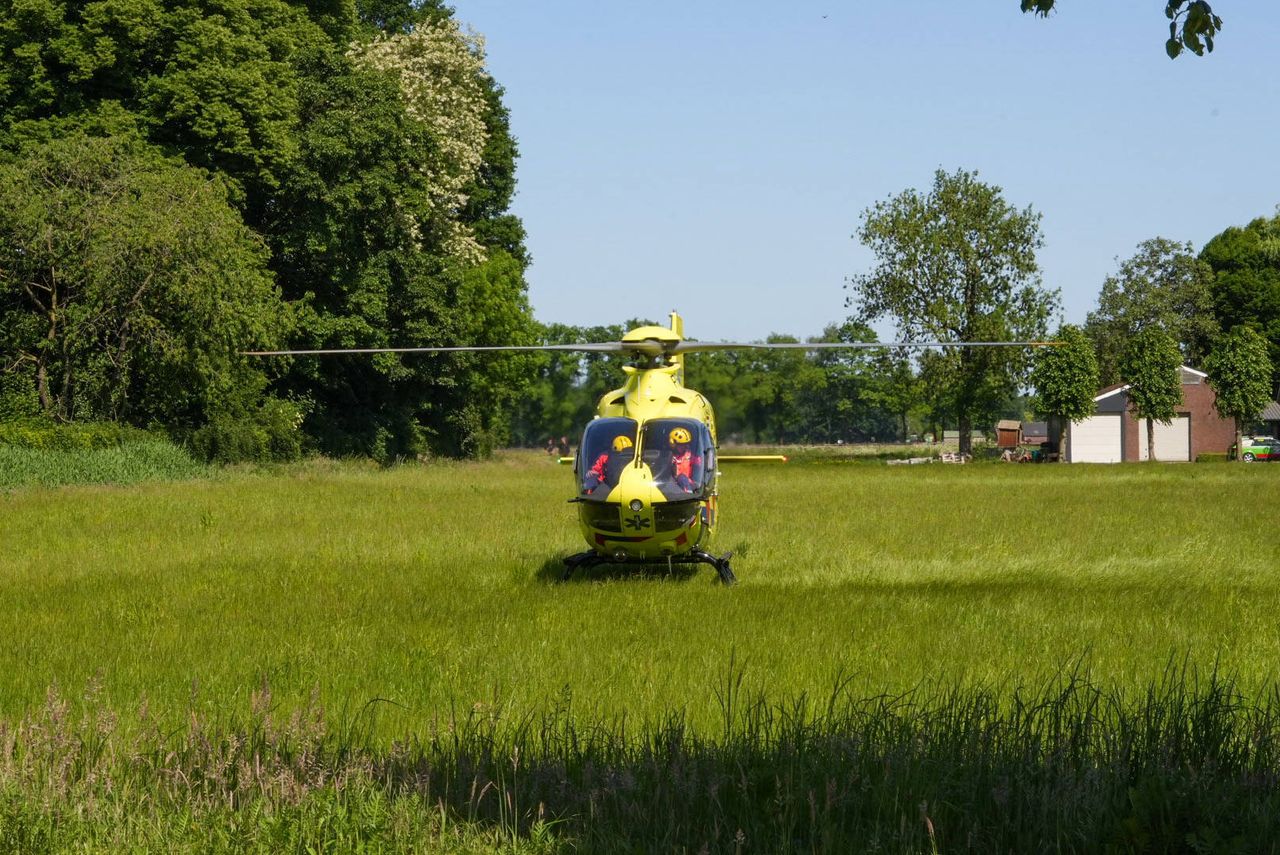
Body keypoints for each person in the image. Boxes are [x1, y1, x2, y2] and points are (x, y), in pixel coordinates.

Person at [669, 427, 703, 493]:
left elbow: (699, 463)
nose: (683, 446)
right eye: (680, 444)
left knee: (682, 477)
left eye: (685, 444)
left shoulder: (690, 456)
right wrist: (669, 463)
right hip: (672, 485)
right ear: (673, 444)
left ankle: (689, 493)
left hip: (688, 484)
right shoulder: (668, 457)